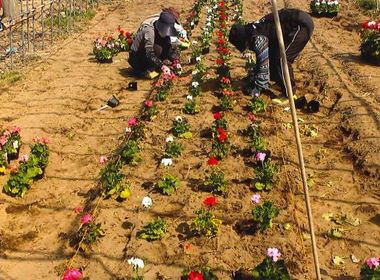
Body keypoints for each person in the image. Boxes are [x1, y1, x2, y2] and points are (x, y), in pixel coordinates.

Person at [229, 8, 314, 98]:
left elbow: (263, 64)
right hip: (293, 21)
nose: (247, 48)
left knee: (282, 59)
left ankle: (289, 94)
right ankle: (280, 82)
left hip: (300, 26)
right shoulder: (253, 29)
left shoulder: (258, 39)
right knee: (273, 53)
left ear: (244, 40)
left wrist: (258, 86)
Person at [128, 11, 180, 77]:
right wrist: (162, 66)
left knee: (164, 45)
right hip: (136, 58)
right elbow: (149, 53)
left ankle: (153, 66)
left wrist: (176, 61)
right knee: (158, 49)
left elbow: (168, 48)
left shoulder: (163, 34)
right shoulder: (149, 31)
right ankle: (143, 70)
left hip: (148, 56)